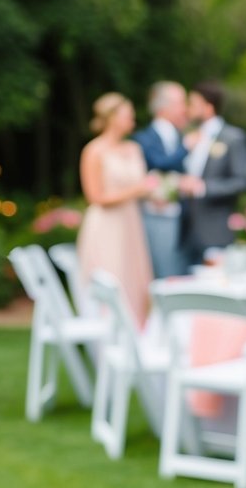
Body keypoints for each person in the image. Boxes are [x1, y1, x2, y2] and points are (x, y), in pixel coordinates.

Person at [76, 92, 158, 326]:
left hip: (131, 222)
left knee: (134, 278)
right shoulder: (94, 151)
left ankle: (136, 341)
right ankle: (106, 347)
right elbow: (95, 196)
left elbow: (144, 186)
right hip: (106, 225)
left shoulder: (134, 148)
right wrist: (138, 189)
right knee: (113, 277)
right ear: (112, 118)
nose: (132, 120)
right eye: (127, 115)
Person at [179, 81, 246, 267]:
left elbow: (243, 181)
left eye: (193, 104)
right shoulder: (189, 137)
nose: (188, 109)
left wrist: (204, 187)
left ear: (208, 107)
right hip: (186, 229)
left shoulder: (233, 138)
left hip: (216, 229)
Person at [133, 81, 192, 279]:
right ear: (164, 107)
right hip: (157, 215)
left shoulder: (182, 134)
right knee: (163, 271)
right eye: (181, 102)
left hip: (186, 216)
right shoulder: (143, 138)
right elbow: (158, 163)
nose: (185, 108)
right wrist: (186, 148)